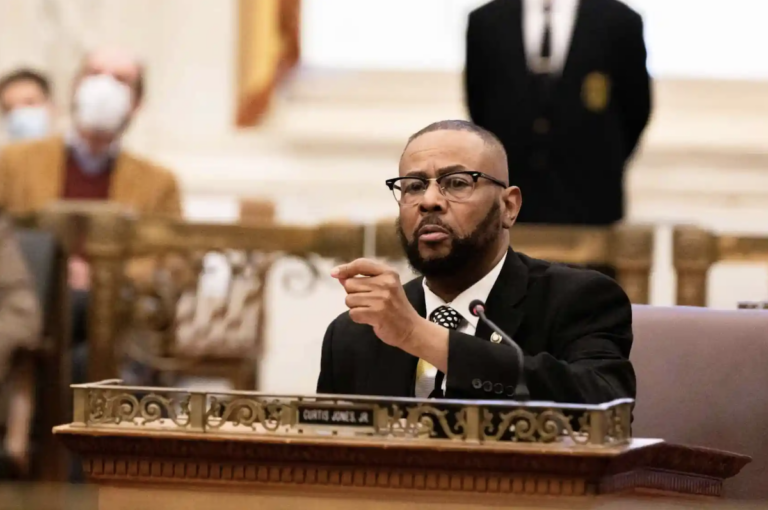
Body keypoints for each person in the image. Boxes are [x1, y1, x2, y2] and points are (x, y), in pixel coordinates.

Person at [317, 120, 635, 403]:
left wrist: (419, 336)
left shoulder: (577, 300)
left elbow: (605, 407)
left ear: (509, 206)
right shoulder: (354, 334)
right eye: (414, 186)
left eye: (456, 182)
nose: (429, 201)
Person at [464, 0, 652, 226]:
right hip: (509, 207)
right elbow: (479, 106)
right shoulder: (486, 21)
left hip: (591, 206)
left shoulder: (621, 21)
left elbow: (635, 108)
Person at [0, 68, 55, 142]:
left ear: (52, 107)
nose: (19, 113)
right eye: (9, 108)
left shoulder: (71, 151)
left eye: (29, 103)